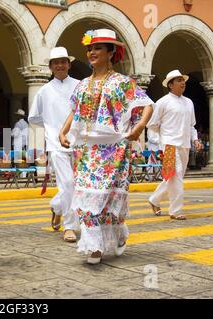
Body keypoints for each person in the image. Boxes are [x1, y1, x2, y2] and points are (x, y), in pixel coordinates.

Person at [59, 29, 154, 264]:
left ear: (111, 52)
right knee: (85, 196)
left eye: (98, 47)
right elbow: (75, 111)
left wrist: (140, 126)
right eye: (89, 48)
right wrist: (63, 130)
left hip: (115, 149)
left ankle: (119, 232)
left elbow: (147, 105)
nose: (91, 52)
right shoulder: (82, 85)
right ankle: (94, 246)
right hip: (87, 149)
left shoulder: (122, 83)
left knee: (108, 198)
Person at [28, 46, 80, 243]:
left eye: (63, 61)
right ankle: (69, 226)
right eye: (56, 62)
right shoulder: (43, 91)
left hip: (79, 143)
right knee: (66, 183)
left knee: (77, 185)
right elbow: (34, 117)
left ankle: (57, 206)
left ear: (69, 64)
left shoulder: (79, 85)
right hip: (56, 144)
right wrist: (51, 126)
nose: (60, 65)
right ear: (50, 66)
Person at [147, 70, 203, 220]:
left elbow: (192, 125)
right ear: (170, 85)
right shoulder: (162, 102)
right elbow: (152, 124)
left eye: (182, 80)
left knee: (174, 177)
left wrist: (195, 140)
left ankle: (154, 199)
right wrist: (162, 140)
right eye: (178, 80)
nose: (182, 82)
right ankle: (175, 210)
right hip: (169, 144)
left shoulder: (188, 102)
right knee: (176, 175)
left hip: (185, 144)